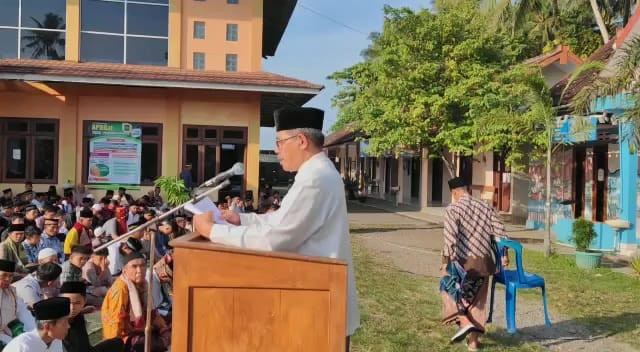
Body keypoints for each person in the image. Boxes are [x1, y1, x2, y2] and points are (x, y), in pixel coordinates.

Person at [193, 107, 360, 350]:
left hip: (319, 303)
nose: (276, 150)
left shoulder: (315, 178)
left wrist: (212, 232)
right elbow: (282, 220)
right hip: (318, 298)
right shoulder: (316, 172)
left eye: (280, 142)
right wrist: (243, 220)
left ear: (301, 141)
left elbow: (276, 239)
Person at [440, 176, 510, 350]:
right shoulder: (486, 207)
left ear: (454, 192)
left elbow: (450, 239)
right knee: (478, 302)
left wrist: (445, 263)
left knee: (446, 287)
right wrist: (504, 255)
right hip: (485, 265)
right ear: (467, 189)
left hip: (464, 264)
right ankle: (473, 343)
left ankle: (463, 321)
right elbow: (501, 232)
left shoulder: (453, 209)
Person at [102, 253, 170, 351]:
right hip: (125, 336)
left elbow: (151, 313)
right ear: (124, 270)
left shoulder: (143, 284)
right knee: (149, 344)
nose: (139, 270)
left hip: (141, 326)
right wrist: (116, 346)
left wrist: (163, 327)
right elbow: (114, 324)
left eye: (142, 265)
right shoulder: (120, 290)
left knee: (174, 321)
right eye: (134, 266)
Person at [59, 281, 125, 352]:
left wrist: (83, 310)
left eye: (77, 303)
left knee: (118, 342)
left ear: (84, 301)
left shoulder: (77, 315)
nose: (72, 308)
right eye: (68, 303)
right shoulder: (57, 323)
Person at [3, 296, 70, 352]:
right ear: (47, 327)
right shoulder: (22, 346)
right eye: (64, 323)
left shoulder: (56, 340)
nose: (68, 326)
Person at [0, 259, 36, 346]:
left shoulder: (11, 291)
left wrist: (34, 332)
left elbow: (22, 311)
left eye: (11, 276)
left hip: (7, 329)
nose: (8, 279)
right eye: (4, 275)